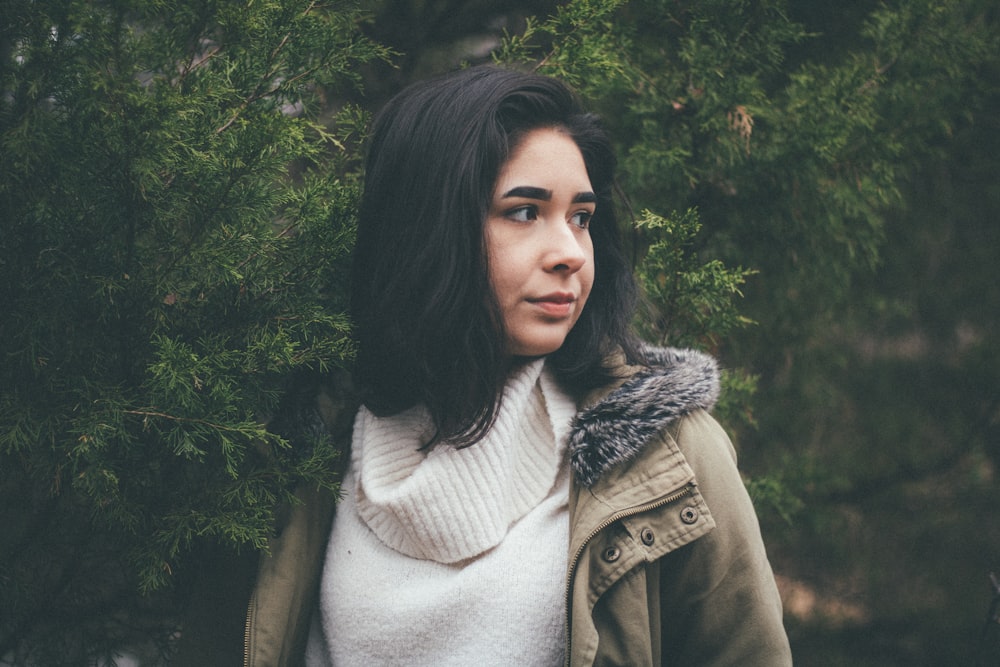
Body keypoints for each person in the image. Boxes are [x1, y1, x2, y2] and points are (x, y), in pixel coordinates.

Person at [173, 65, 792, 666]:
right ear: (431, 228)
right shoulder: (297, 443)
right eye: (525, 212)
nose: (571, 253)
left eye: (582, 217)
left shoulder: (667, 457)